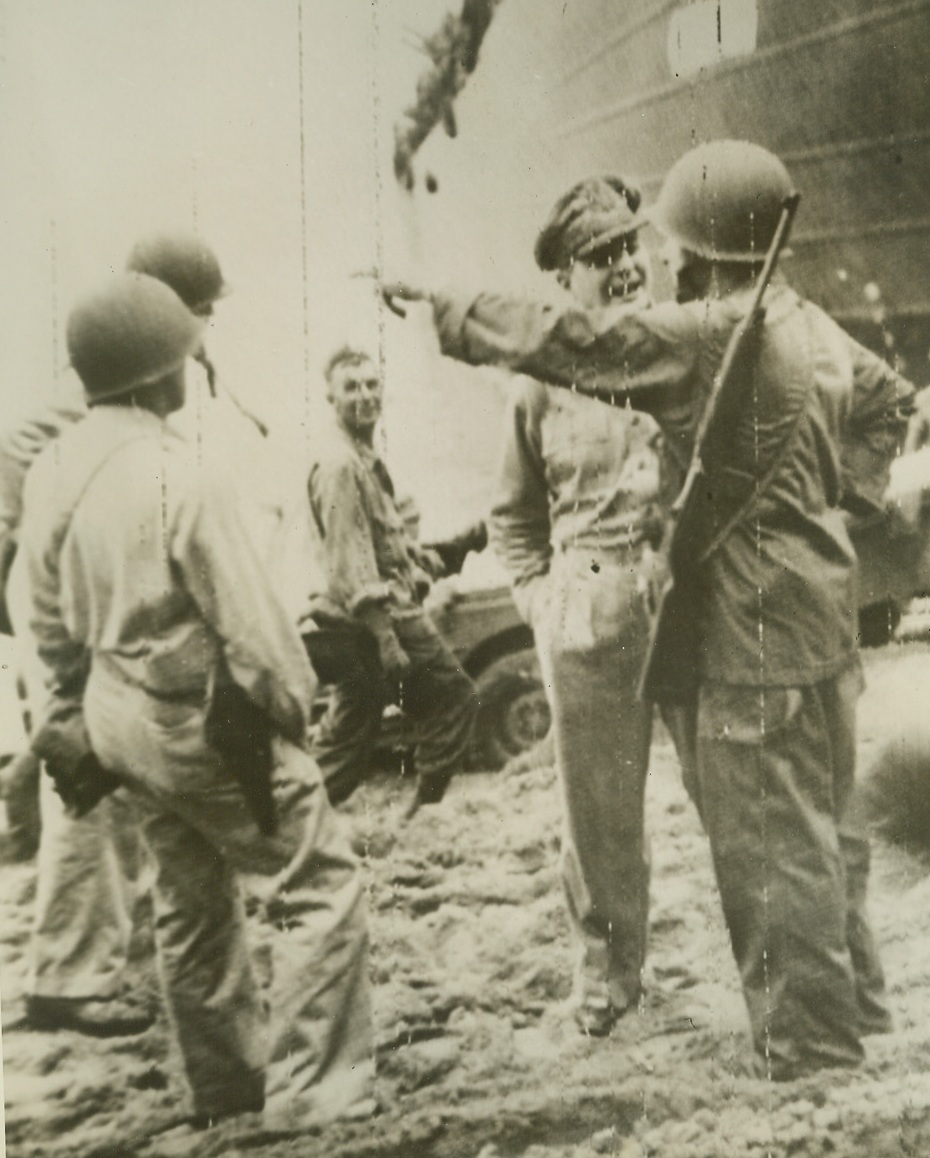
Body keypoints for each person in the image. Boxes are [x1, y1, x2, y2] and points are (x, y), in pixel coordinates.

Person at [383, 140, 911, 1079]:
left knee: (761, 841)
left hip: (735, 626)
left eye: (654, 243)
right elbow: (893, 404)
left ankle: (812, 1044)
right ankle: (843, 1003)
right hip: (781, 610)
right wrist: (843, 504)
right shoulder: (808, 322)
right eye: (617, 253)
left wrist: (443, 304)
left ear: (698, 247)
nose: (648, 262)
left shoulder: (702, 334)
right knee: (810, 831)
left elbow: (579, 344)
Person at [19, 271, 373, 1131]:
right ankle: (315, 1094)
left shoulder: (55, 463)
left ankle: (226, 1087)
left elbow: (41, 611)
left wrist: (72, 710)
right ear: (155, 374)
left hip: (113, 710)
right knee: (322, 877)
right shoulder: (183, 474)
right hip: (196, 715)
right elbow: (254, 632)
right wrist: (295, 716)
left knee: (188, 894)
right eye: (185, 353)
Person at [2, 232, 254, 1037]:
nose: (208, 330)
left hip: (50, 586)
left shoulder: (109, 372)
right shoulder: (97, 392)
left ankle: (90, 951)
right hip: (39, 589)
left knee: (95, 764)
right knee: (87, 771)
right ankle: (67, 978)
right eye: (202, 313)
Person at [488, 176, 677, 1034]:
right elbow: (513, 516)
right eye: (603, 257)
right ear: (566, 277)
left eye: (630, 246)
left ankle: (778, 977)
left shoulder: (685, 345)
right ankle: (609, 987)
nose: (626, 267)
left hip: (686, 591)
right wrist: (539, 600)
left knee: (740, 791)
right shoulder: (539, 385)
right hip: (589, 608)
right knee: (600, 818)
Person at [304, 346, 478, 814]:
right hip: (381, 621)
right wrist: (386, 637)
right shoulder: (341, 466)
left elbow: (388, 551)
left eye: (371, 384)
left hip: (372, 617)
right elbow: (350, 562)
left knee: (347, 740)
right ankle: (424, 809)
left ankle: (283, 828)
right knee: (454, 695)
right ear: (330, 397)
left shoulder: (363, 459)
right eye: (351, 387)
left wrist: (448, 551)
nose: (364, 396)